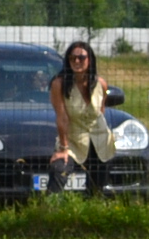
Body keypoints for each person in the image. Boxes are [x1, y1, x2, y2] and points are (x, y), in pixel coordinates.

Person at [48, 41, 114, 198]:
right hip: (73, 140)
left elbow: (101, 111)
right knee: (59, 170)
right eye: (72, 58)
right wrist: (63, 148)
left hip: (100, 141)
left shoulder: (101, 84)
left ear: (90, 59)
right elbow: (62, 117)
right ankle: (48, 212)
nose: (77, 61)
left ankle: (92, 214)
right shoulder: (59, 84)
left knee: (98, 188)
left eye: (81, 57)